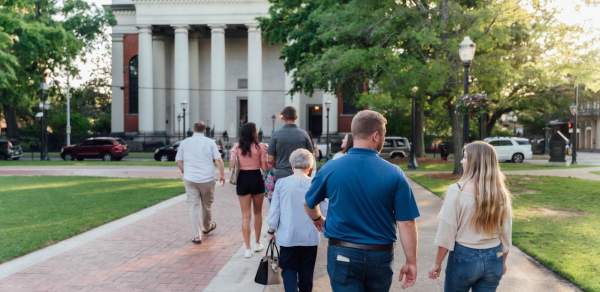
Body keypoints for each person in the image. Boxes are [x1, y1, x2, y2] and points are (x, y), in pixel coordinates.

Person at [305, 110, 420, 292]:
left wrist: (317, 219)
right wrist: (411, 261)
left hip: (342, 253)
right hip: (379, 256)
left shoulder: (331, 168)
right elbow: (406, 222)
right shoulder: (394, 173)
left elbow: (309, 203)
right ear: (375, 136)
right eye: (383, 135)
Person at [429, 141, 512, 292]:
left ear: (475, 162)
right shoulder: (501, 194)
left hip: (464, 258)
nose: (461, 160)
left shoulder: (457, 191)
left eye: (465, 157)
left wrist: (437, 263)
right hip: (494, 258)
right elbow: (506, 233)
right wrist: (503, 261)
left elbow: (446, 233)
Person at [267, 148, 319, 292]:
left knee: (288, 271)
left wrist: (271, 229)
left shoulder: (282, 184)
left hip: (288, 236)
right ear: (309, 167)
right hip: (310, 237)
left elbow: (275, 211)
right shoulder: (315, 184)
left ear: (292, 165)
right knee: (306, 275)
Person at [176, 121, 225, 244]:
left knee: (193, 207)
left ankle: (197, 235)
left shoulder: (185, 142)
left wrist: (184, 171)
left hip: (190, 178)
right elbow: (219, 160)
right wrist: (222, 175)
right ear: (205, 130)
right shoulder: (210, 142)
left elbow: (178, 161)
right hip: (207, 179)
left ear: (193, 129)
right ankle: (207, 227)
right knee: (207, 205)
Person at [230, 123, 268, 258]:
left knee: (245, 215)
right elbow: (264, 167)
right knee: (258, 213)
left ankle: (247, 248)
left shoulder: (236, 147)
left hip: (243, 179)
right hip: (256, 178)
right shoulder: (260, 147)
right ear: (253, 133)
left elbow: (232, 165)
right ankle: (257, 243)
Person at [268, 106, 314, 182]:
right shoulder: (304, 134)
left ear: (283, 117)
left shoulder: (276, 134)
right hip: (301, 173)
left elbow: (270, 159)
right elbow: (311, 156)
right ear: (295, 117)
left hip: (281, 174)